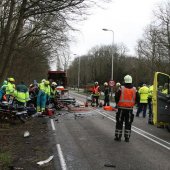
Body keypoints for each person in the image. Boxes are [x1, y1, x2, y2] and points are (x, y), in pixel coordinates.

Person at [114, 75, 139, 142]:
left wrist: (118, 104)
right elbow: (138, 99)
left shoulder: (121, 88)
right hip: (130, 109)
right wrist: (133, 104)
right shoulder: (134, 89)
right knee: (128, 123)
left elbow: (116, 97)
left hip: (121, 109)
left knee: (119, 122)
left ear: (125, 80)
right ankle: (127, 138)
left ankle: (118, 137)